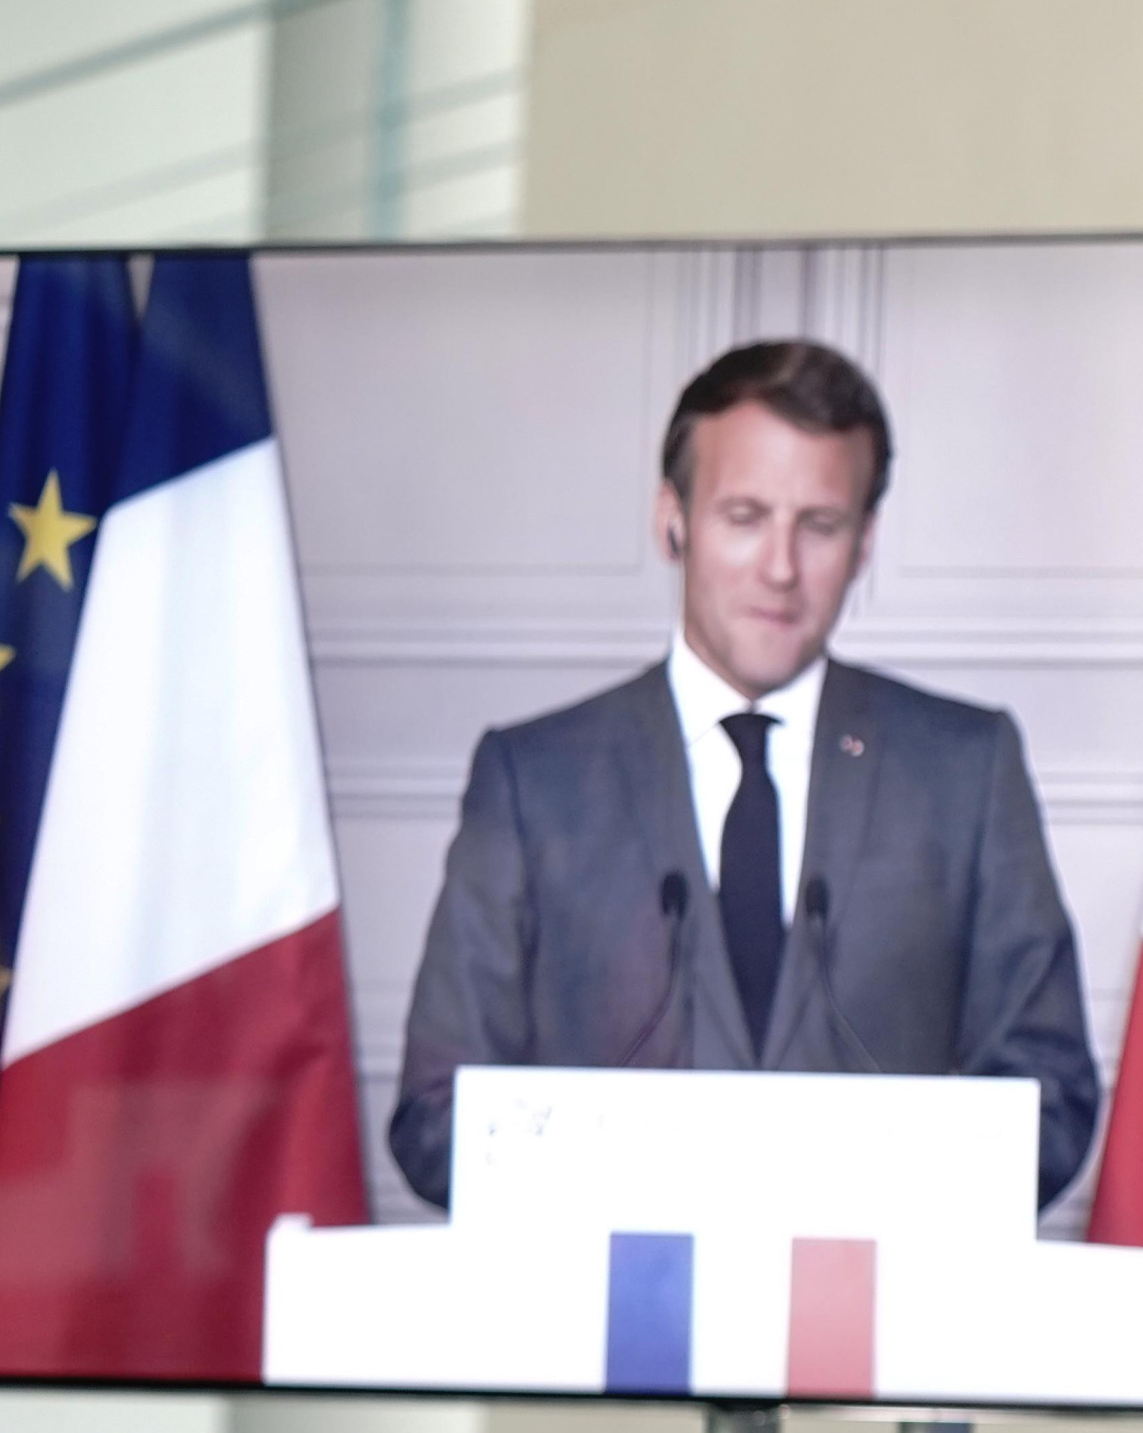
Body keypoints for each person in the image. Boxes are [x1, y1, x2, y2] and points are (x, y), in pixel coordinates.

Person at [390, 340, 1100, 1207]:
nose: (780, 567)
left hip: (868, 1323)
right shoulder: (534, 780)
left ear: (866, 540)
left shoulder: (964, 767)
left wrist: (876, 1203)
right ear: (672, 518)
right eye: (744, 516)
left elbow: (1052, 1100)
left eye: (820, 524)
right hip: (607, 1324)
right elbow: (434, 1117)